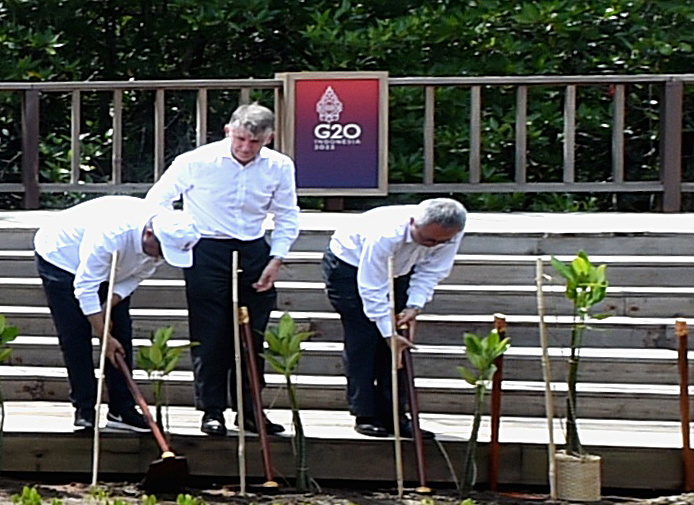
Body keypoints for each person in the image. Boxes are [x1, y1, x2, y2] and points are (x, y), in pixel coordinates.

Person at [147, 102, 301, 438]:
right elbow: (158, 200)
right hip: (206, 247)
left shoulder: (279, 166)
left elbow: (288, 214)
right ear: (229, 130)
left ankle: (249, 411)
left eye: (255, 142)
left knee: (252, 336)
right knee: (211, 333)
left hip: (254, 248)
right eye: (241, 139)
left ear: (269, 139)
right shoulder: (195, 161)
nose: (246, 148)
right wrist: (179, 232)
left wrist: (277, 258)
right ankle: (211, 410)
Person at [31, 194, 187, 434]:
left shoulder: (163, 239)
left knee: (121, 335)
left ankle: (122, 409)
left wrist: (107, 308)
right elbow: (84, 288)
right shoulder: (110, 235)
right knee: (76, 335)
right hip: (63, 259)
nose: (160, 258)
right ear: (148, 234)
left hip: (116, 270)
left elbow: (135, 277)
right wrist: (103, 333)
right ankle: (84, 409)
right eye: (160, 251)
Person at [324, 196, 471, 436]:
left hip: (402, 268)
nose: (432, 245)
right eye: (427, 239)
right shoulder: (385, 234)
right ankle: (365, 413)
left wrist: (414, 306)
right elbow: (371, 287)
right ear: (412, 222)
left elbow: (432, 271)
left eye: (440, 241)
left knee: (399, 346)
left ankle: (396, 415)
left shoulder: (451, 232)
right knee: (365, 337)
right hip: (349, 265)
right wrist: (387, 332)